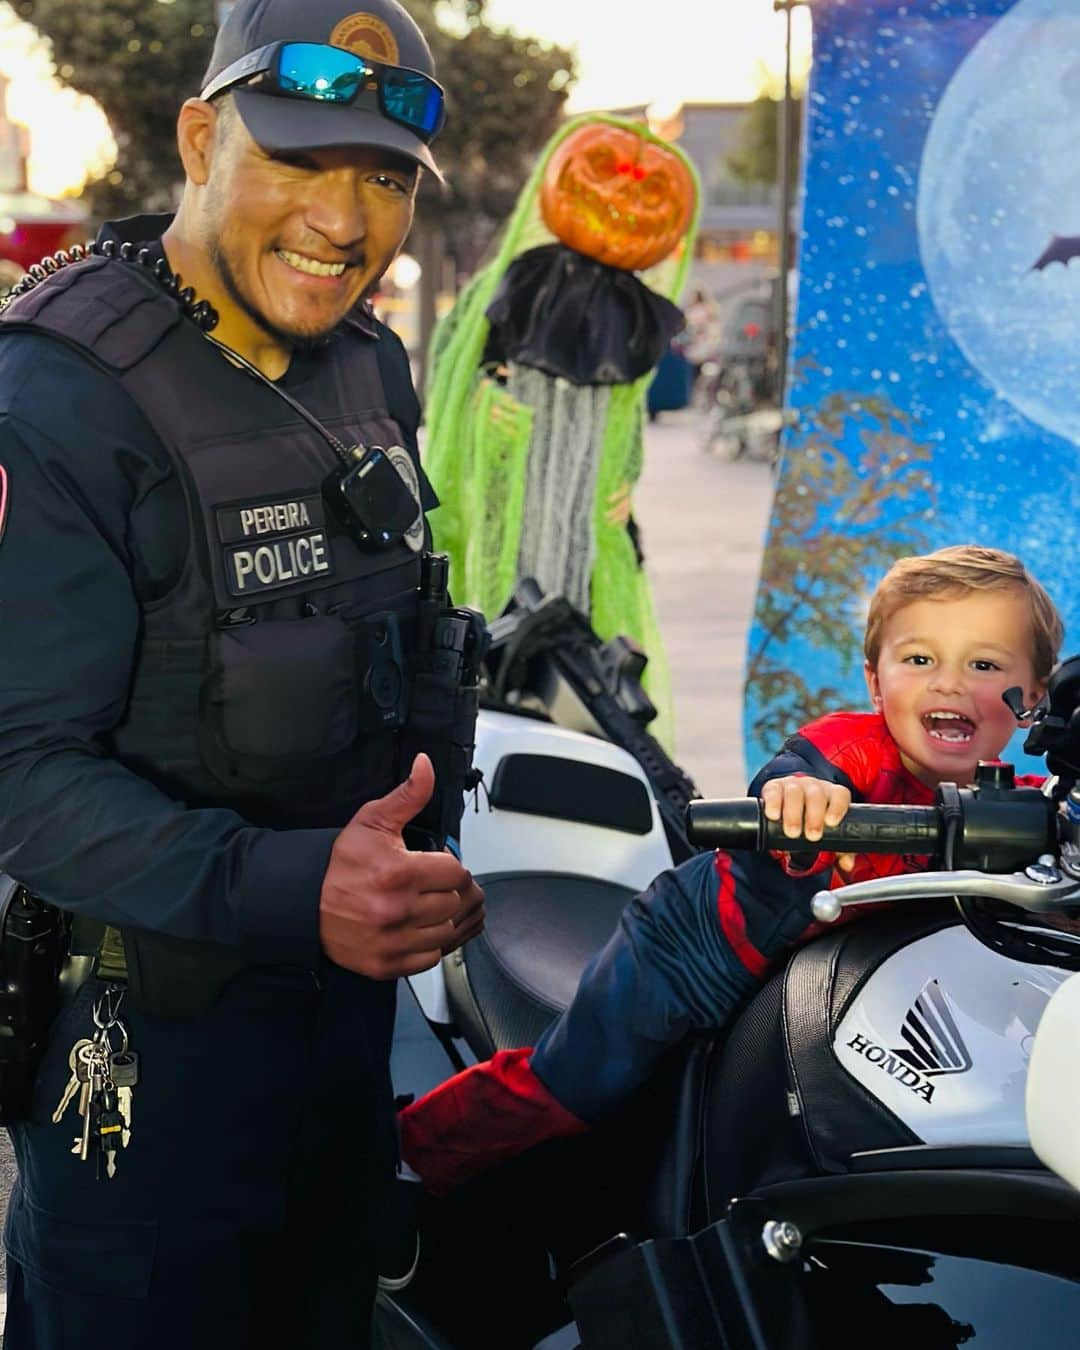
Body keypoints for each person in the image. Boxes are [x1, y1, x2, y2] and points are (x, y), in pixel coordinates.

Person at [0, 2, 485, 1346]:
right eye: (302, 160)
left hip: (343, 1035)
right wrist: (286, 884)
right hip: (148, 1064)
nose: (346, 219)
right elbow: (19, 773)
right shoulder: (57, 397)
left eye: (384, 176)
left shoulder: (366, 360)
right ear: (202, 137)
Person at [399, 544, 1062, 1194]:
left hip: (822, 982)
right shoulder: (856, 751)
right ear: (874, 678)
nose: (947, 682)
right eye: (919, 659)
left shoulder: (1027, 800)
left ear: (1033, 696)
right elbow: (796, 773)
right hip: (693, 956)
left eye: (983, 663)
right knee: (577, 1080)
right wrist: (802, 798)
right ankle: (406, 1160)